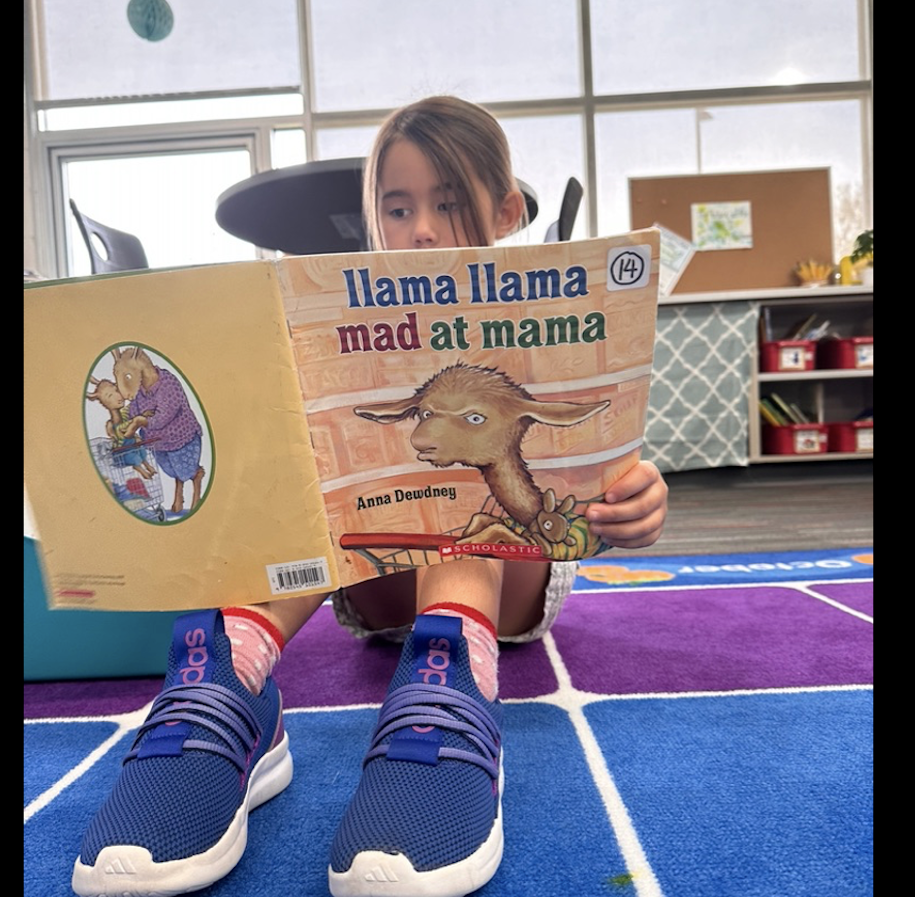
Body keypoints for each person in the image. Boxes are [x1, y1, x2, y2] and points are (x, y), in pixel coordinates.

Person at [72, 95, 670, 897]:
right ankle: (228, 684)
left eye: (449, 202)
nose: (421, 228)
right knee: (293, 470)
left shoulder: (538, 317)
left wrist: (634, 498)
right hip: (366, 576)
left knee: (466, 510)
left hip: (506, 576)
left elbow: (598, 466)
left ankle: (446, 697)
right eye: (399, 206)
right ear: (373, 219)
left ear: (507, 210)